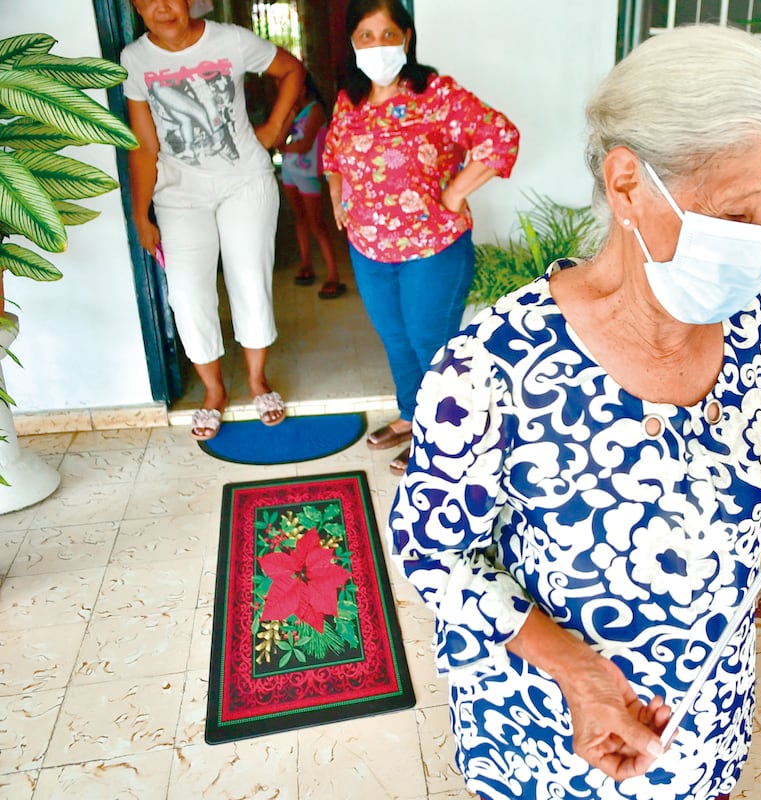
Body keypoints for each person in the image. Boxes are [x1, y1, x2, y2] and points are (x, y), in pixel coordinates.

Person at [390, 24, 761, 800]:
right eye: (737, 216)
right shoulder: (493, 366)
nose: (757, 248)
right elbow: (432, 557)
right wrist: (578, 672)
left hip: (708, 712)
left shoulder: (755, 328)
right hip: (551, 728)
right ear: (626, 183)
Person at [322, 0, 519, 475]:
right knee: (395, 339)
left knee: (431, 341)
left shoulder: (435, 93)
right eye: (365, 36)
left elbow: (501, 137)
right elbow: (331, 153)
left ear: (406, 37)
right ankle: (414, 418)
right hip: (369, 248)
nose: (376, 45)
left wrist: (454, 193)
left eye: (386, 34)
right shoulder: (349, 99)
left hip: (432, 249)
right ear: (353, 43)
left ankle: (441, 438)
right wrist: (337, 198)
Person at [123, 0, 304, 440]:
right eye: (147, 1)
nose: (160, 8)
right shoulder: (136, 59)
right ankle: (214, 391)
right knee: (186, 293)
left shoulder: (231, 40)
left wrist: (273, 130)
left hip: (245, 180)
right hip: (178, 194)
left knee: (249, 278)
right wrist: (139, 211)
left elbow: (291, 70)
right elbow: (144, 145)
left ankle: (258, 381)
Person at [278, 75, 342, 298]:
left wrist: (285, 148)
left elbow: (303, 145)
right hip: (290, 171)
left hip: (307, 173)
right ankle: (306, 264)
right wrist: (290, 116)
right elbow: (278, 139)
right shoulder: (293, 111)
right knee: (300, 219)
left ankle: (333, 274)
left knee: (317, 223)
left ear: (303, 87)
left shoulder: (315, 110)